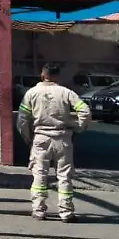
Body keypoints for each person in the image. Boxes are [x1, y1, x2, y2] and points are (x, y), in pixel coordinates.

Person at [17, 63, 91, 222]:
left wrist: (28, 138)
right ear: (57, 76)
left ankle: (39, 210)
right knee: (64, 176)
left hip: (41, 139)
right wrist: (78, 128)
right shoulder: (66, 93)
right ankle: (66, 212)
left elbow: (22, 120)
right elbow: (85, 111)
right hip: (62, 138)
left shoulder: (31, 93)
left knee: (39, 175)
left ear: (42, 75)